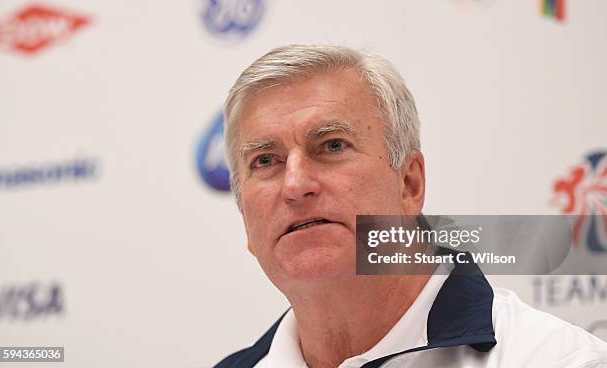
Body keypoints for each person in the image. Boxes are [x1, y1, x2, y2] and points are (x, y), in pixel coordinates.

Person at [214, 44, 607, 368]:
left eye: (332, 145)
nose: (295, 184)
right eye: (265, 160)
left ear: (409, 183)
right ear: (245, 217)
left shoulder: (557, 360)